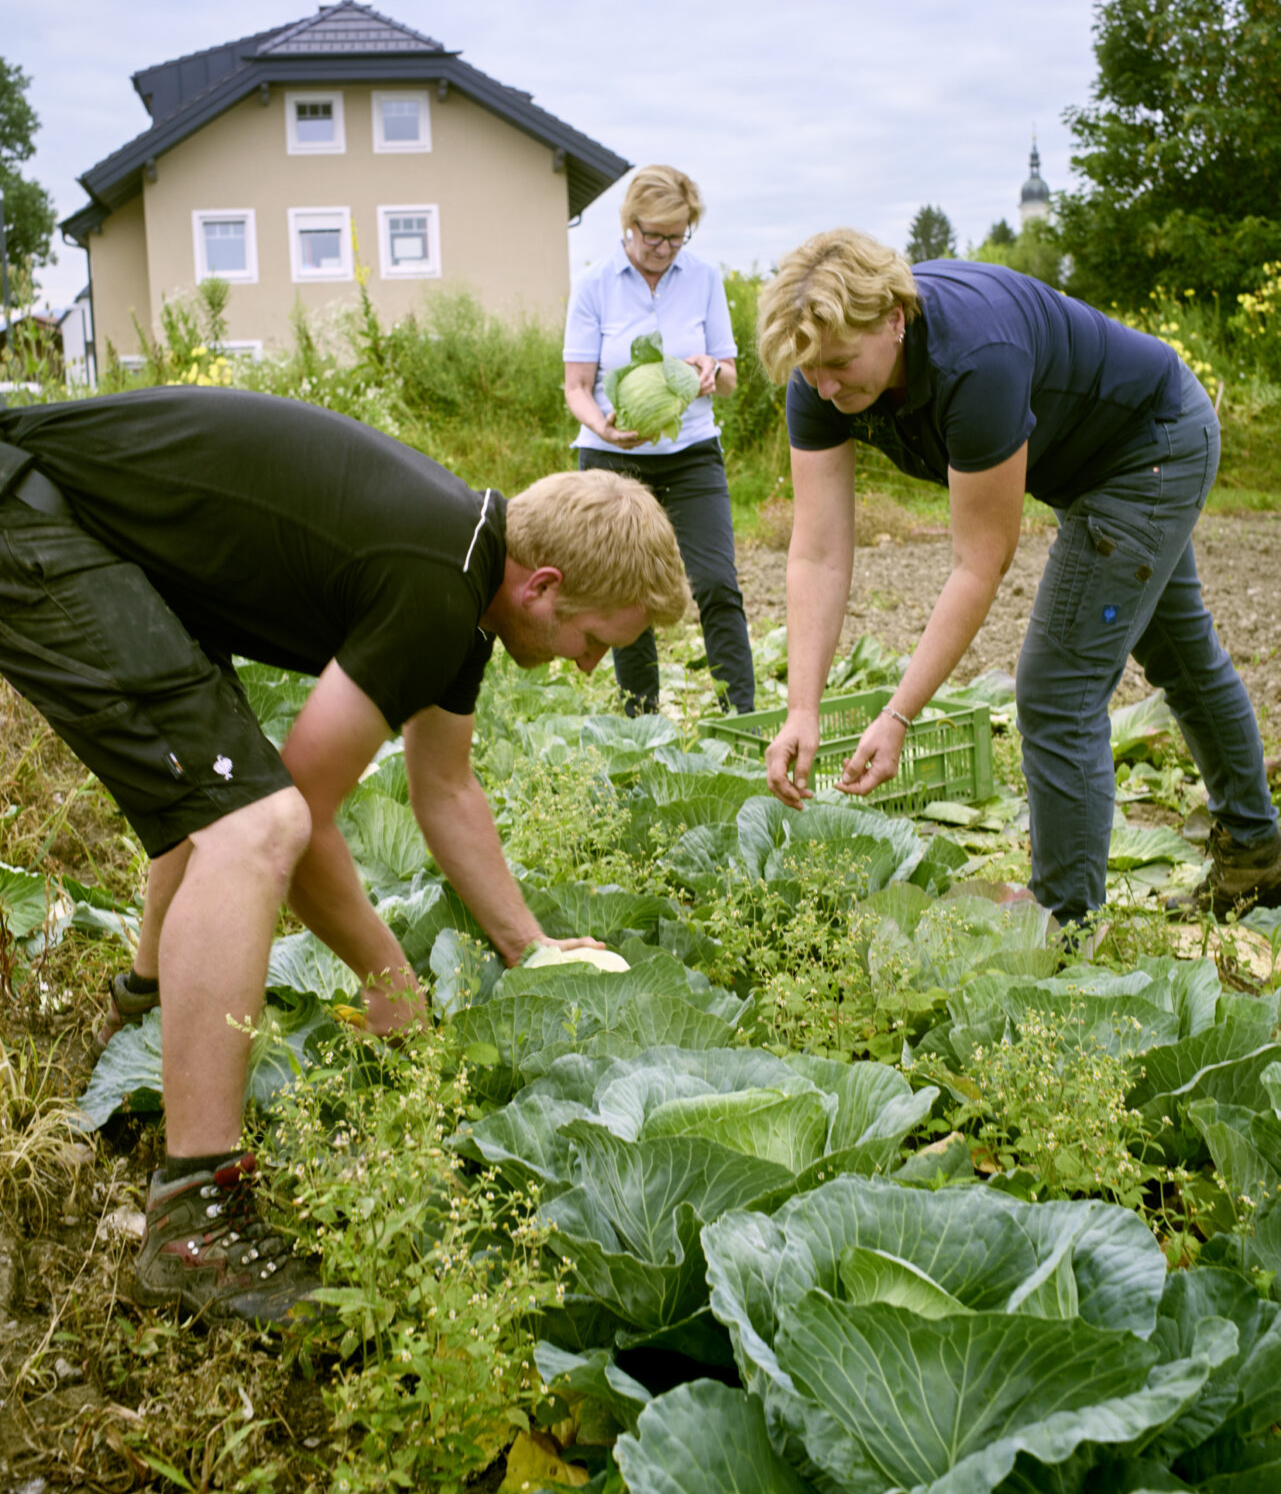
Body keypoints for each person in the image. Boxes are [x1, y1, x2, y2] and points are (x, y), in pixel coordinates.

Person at [0, 386, 689, 1324]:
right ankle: (194, 1215)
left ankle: (141, 1009)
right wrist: (391, 984)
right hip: (38, 520)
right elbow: (306, 815)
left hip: (77, 526)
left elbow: (444, 788)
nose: (585, 667)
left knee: (225, 788)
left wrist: (530, 947)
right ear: (546, 587)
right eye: (594, 641)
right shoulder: (434, 579)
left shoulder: (465, 568)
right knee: (257, 824)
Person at [756, 228, 1281, 933]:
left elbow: (980, 562)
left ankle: (1062, 928)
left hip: (1149, 445)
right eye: (812, 371)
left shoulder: (974, 358)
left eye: (840, 365)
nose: (824, 387)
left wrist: (898, 713)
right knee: (1180, 653)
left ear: (893, 320)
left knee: (1056, 688)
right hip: (1093, 460)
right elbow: (817, 553)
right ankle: (1257, 853)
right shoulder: (818, 368)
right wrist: (802, 708)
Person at [563, 163, 755, 715]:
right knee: (627, 594)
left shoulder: (704, 278)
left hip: (691, 453)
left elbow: (731, 375)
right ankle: (639, 722)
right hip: (611, 458)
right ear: (630, 225)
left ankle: (741, 718)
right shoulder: (595, 283)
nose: (665, 248)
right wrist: (603, 426)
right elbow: (577, 386)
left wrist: (707, 371)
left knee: (717, 583)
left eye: (677, 236)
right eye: (654, 236)